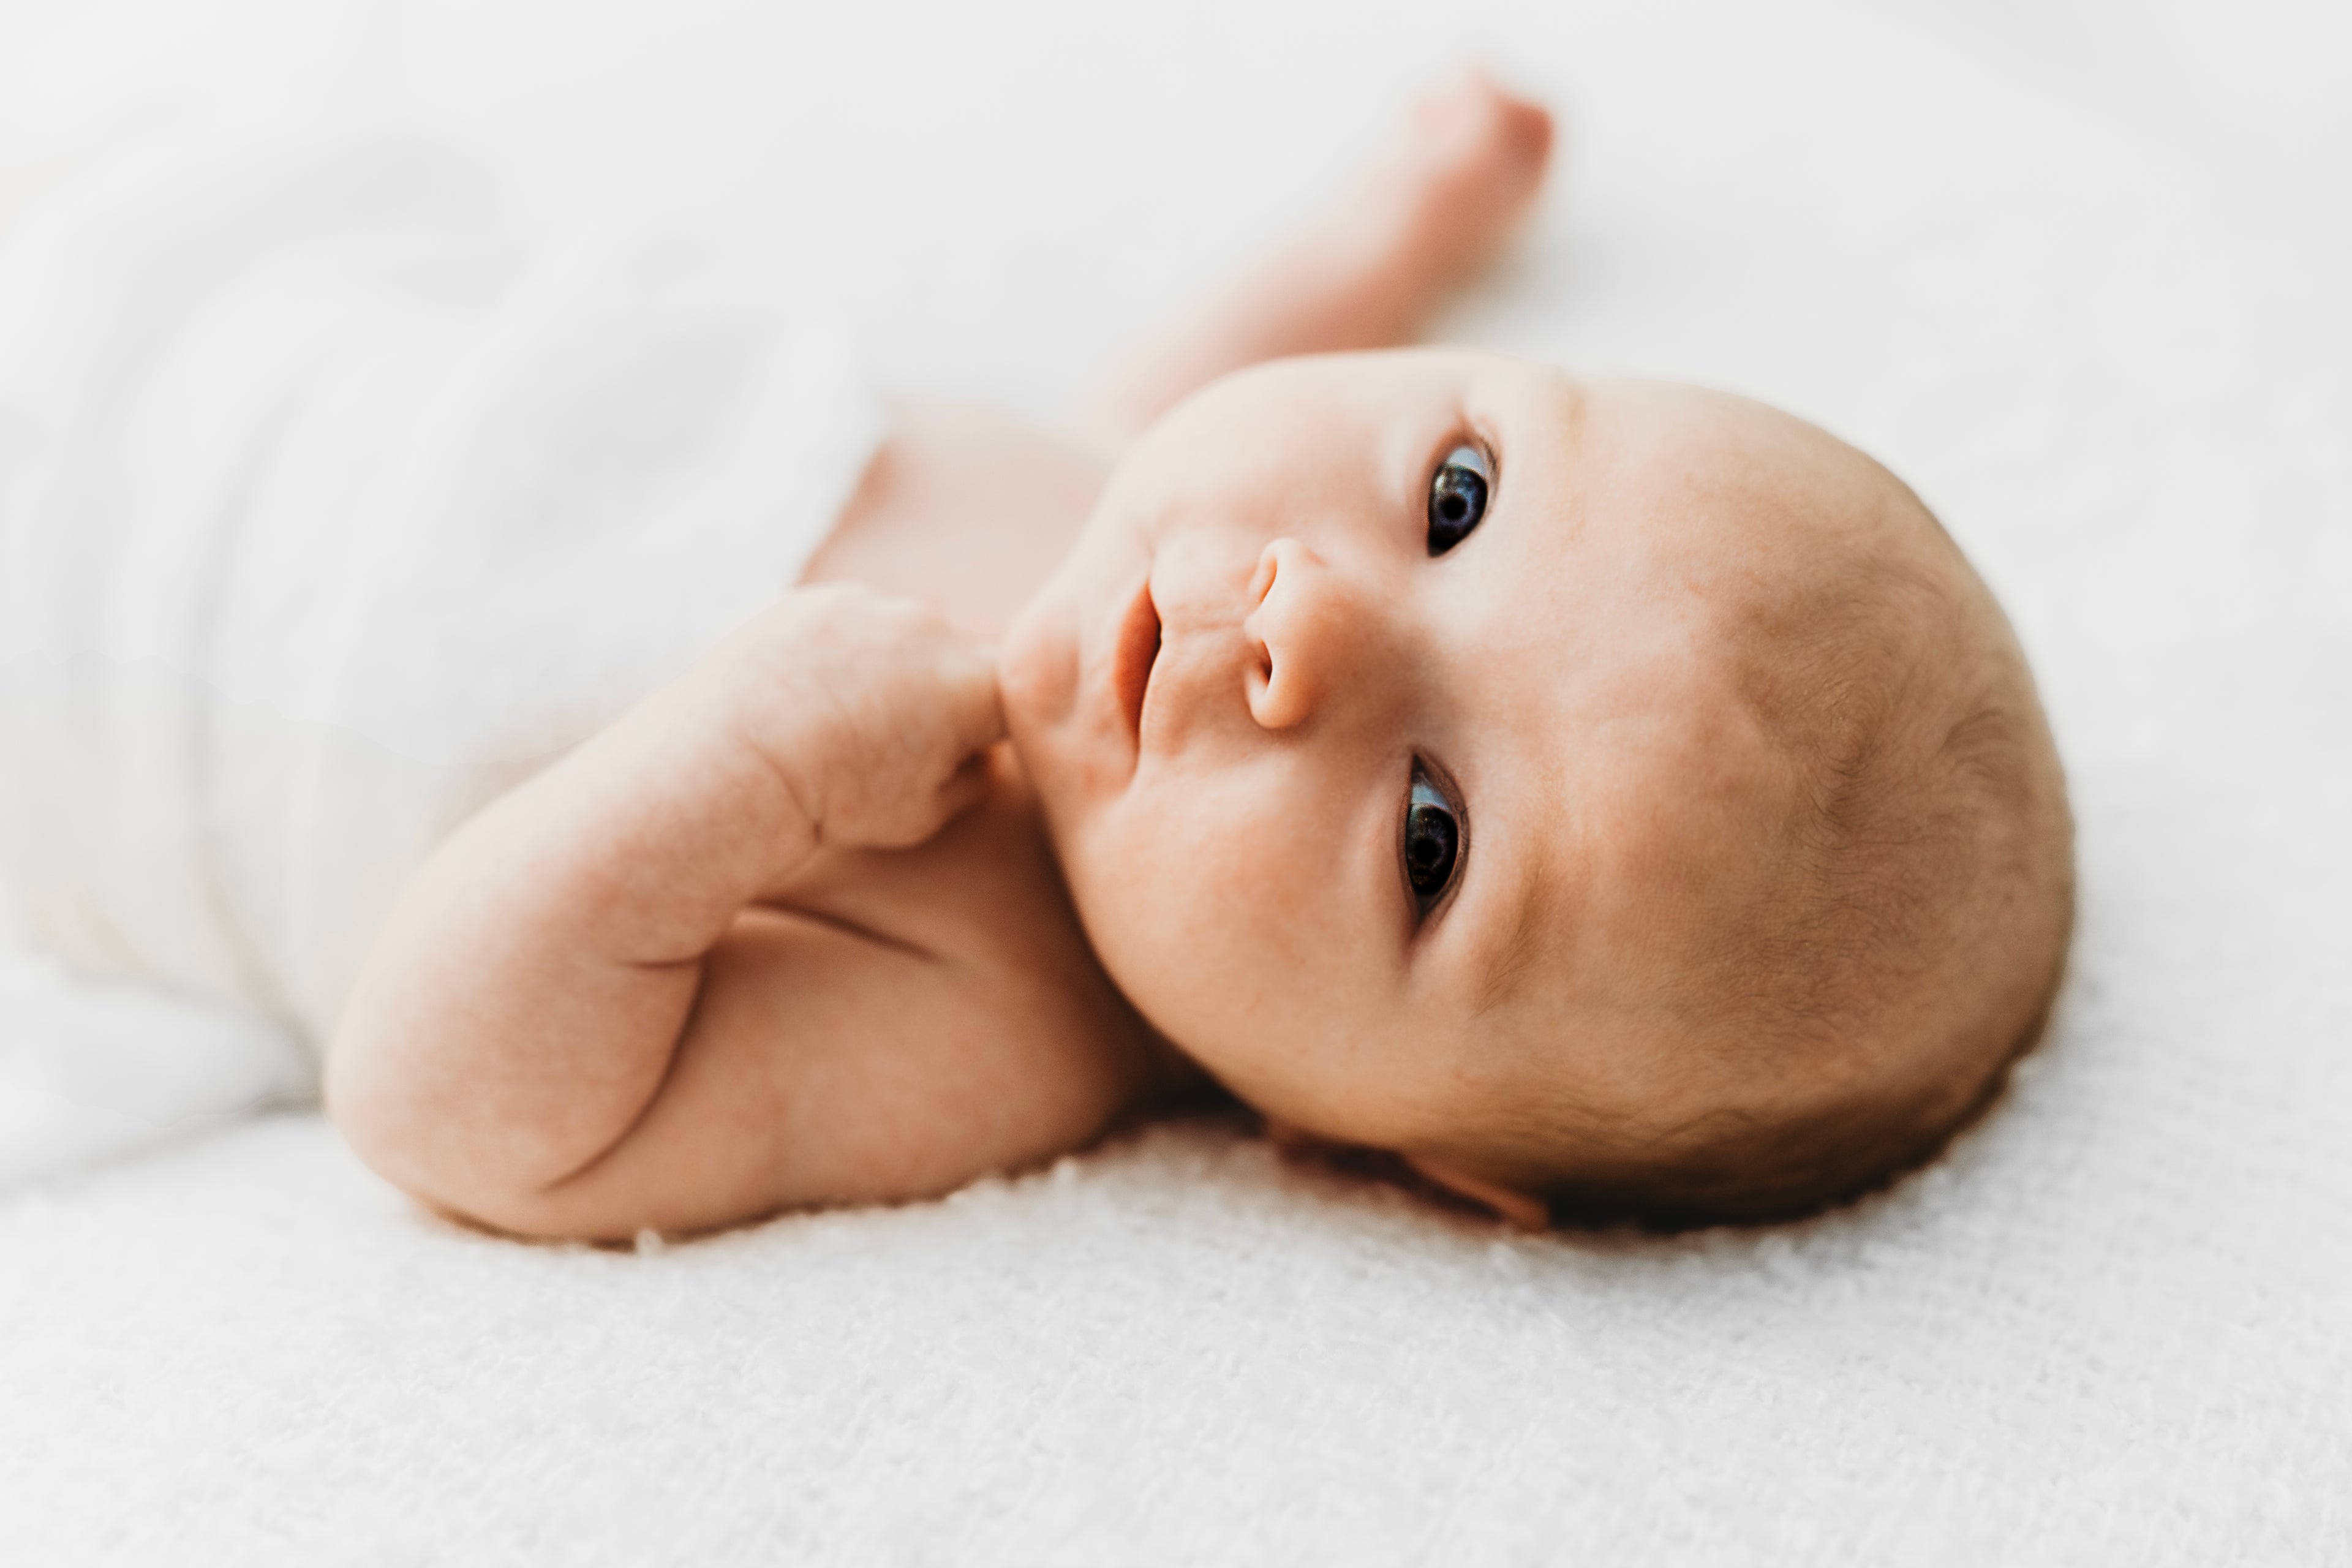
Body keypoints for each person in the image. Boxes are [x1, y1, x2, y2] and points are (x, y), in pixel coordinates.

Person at [1, 74, 2073, 1240]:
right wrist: (1388, 236)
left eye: (1434, 838)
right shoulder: (1132, 516)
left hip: (103, 639)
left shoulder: (1003, 1017)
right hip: (258, 321)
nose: (1309, 630)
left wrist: (724, 774)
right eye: (1456, 497)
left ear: (1397, 1156)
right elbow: (1181, 393)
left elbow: (456, 1112)